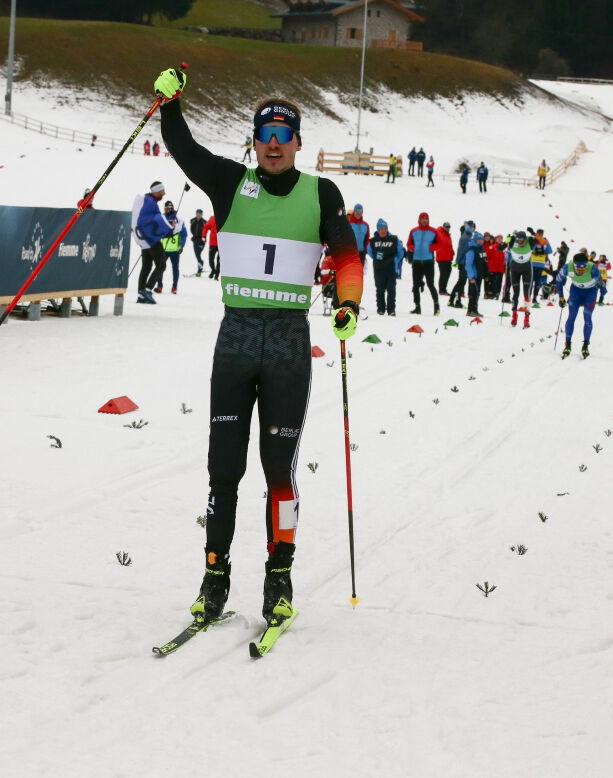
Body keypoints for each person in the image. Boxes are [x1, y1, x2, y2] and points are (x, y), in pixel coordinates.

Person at [154, 68, 363, 630]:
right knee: (224, 468)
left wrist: (347, 305)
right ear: (254, 141)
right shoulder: (229, 183)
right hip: (238, 338)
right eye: (265, 133)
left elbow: (347, 257)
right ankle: (215, 576)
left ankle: (279, 577)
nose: (274, 143)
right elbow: (184, 149)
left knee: (279, 471)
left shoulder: (322, 192)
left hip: (289, 343)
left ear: (298, 142)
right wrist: (169, 103)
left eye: (284, 134)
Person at [131, 181, 175, 304]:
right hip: (151, 239)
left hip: (144, 239)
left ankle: (141, 293)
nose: (164, 194)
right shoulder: (151, 203)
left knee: (146, 266)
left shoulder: (147, 201)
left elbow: (153, 220)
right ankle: (147, 290)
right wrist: (168, 228)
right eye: (162, 191)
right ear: (156, 192)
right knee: (161, 265)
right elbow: (152, 221)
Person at [556, 250, 601, 358]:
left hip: (590, 293)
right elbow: (558, 280)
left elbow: (600, 281)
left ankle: (585, 345)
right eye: (578, 268)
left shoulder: (592, 268)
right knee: (571, 317)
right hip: (575, 292)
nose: (580, 270)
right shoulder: (568, 267)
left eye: (583, 268)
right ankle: (568, 344)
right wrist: (561, 296)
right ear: (574, 265)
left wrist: (602, 290)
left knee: (587, 317)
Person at [405, 211, 440, 315]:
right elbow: (409, 243)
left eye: (426, 218)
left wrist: (431, 248)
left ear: (428, 220)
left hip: (428, 262)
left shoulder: (433, 231)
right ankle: (417, 307)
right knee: (416, 285)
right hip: (417, 262)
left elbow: (440, 243)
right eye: (422, 218)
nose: (424, 220)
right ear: (419, 220)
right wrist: (412, 249)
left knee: (430, 284)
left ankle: (436, 306)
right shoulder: (414, 231)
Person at [369, 218, 404, 315]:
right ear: (378, 230)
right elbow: (370, 252)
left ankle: (391, 310)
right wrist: (378, 259)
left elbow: (400, 252)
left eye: (385, 228)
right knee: (380, 289)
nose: (384, 230)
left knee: (391, 289)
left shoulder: (394, 239)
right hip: (378, 268)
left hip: (391, 268)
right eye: (382, 229)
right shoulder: (373, 241)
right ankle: (380, 309)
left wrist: (395, 260)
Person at [156, 199, 188, 293]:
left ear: (172, 208)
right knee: (160, 267)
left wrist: (181, 245)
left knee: (175, 268)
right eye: (167, 207)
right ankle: (159, 286)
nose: (168, 209)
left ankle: (174, 287)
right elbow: (156, 232)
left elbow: (184, 234)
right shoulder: (161, 219)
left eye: (170, 207)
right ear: (164, 208)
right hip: (163, 249)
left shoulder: (180, 221)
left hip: (175, 249)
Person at [505, 230, 534, 328]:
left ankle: (526, 319)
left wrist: (534, 233)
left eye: (522, 239)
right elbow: (501, 247)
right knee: (515, 293)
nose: (520, 241)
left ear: (525, 238)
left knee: (527, 293)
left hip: (527, 269)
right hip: (514, 269)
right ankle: (514, 316)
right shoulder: (513, 240)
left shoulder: (530, 241)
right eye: (518, 239)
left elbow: (543, 242)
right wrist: (507, 239)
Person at [434, 220, 454, 294]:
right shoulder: (439, 233)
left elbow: (449, 246)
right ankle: (441, 290)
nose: (448, 228)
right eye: (446, 227)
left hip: (448, 258)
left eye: (449, 227)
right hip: (441, 258)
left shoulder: (448, 235)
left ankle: (444, 289)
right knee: (443, 273)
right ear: (443, 227)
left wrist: (452, 252)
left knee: (448, 272)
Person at [189, 208, 207, 276]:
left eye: (200, 214)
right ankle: (200, 265)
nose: (198, 215)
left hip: (202, 241)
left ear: (202, 215)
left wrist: (203, 239)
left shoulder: (204, 222)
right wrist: (194, 236)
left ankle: (199, 269)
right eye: (197, 214)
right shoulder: (193, 220)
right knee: (197, 255)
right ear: (196, 214)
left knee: (198, 255)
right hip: (195, 240)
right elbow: (191, 229)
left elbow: (206, 231)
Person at [203, 213, 220, 278]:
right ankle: (213, 270)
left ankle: (217, 275)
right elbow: (206, 227)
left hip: (221, 244)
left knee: (219, 260)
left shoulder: (225, 219)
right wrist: (204, 236)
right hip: (212, 243)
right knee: (210, 260)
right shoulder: (212, 218)